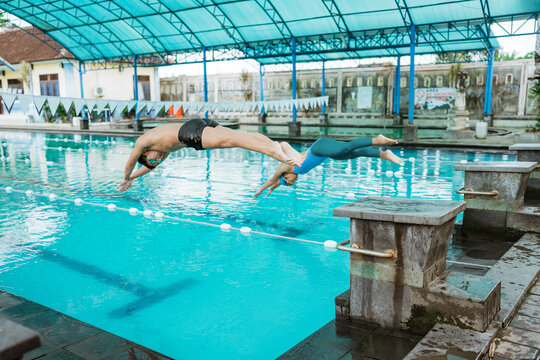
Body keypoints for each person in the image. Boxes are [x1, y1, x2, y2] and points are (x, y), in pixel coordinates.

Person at [118, 119, 302, 192]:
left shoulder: (142, 142)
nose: (157, 159)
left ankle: (273, 151)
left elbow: (130, 163)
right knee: (238, 136)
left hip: (189, 133)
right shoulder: (162, 151)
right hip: (198, 123)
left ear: (144, 153)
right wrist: (132, 178)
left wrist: (125, 178)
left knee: (231, 142)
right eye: (155, 161)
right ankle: (276, 145)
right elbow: (148, 167)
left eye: (152, 158)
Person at [253, 135, 402, 198]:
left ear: (286, 175)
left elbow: (273, 180)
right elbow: (277, 184)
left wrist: (260, 190)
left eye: (291, 181)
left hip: (318, 147)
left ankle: (378, 140)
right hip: (325, 154)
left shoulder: (285, 167)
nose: (293, 181)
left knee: (346, 149)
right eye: (293, 183)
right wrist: (271, 191)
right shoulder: (288, 176)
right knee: (351, 154)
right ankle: (384, 154)